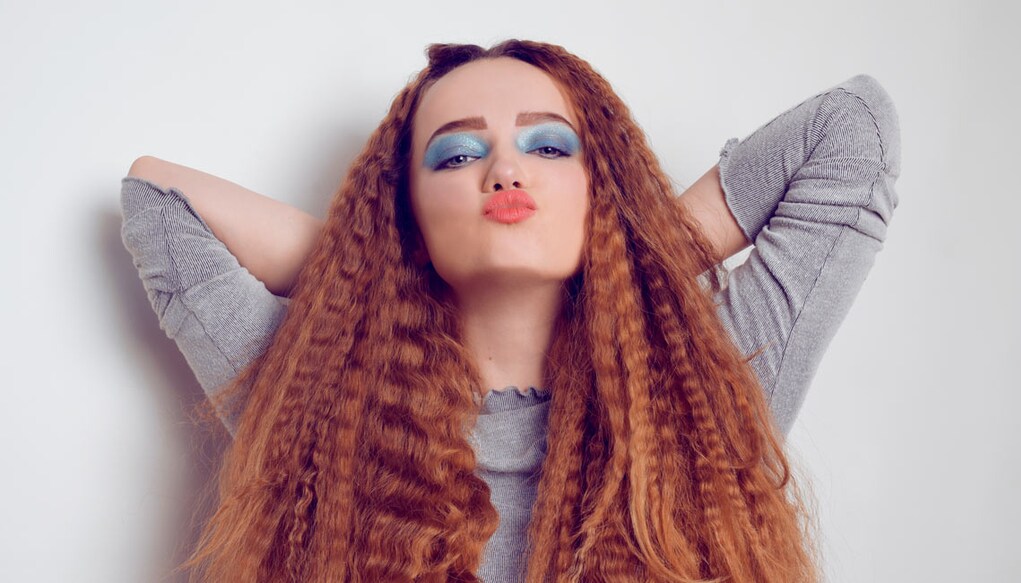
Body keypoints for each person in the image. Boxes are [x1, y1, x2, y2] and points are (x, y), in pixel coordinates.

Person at [119, 39, 900, 583]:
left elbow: (852, 130)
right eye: (456, 155)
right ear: (404, 211)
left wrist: (632, 260)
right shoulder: (323, 402)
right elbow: (157, 199)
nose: (504, 168)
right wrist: (374, 267)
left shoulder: (707, 387)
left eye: (550, 147)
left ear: (604, 190)